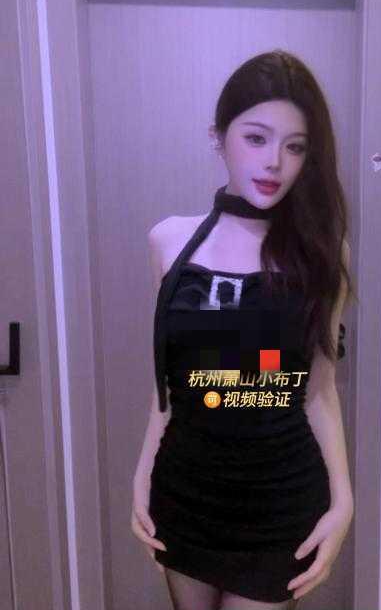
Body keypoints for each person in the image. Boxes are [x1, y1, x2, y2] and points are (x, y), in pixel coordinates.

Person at [131, 50, 356, 610]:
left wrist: (343, 503)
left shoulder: (322, 253)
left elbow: (319, 391)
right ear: (219, 137)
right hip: (185, 494)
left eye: (295, 146)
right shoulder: (169, 241)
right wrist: (142, 475)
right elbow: (168, 385)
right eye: (256, 138)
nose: (274, 162)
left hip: (281, 505)